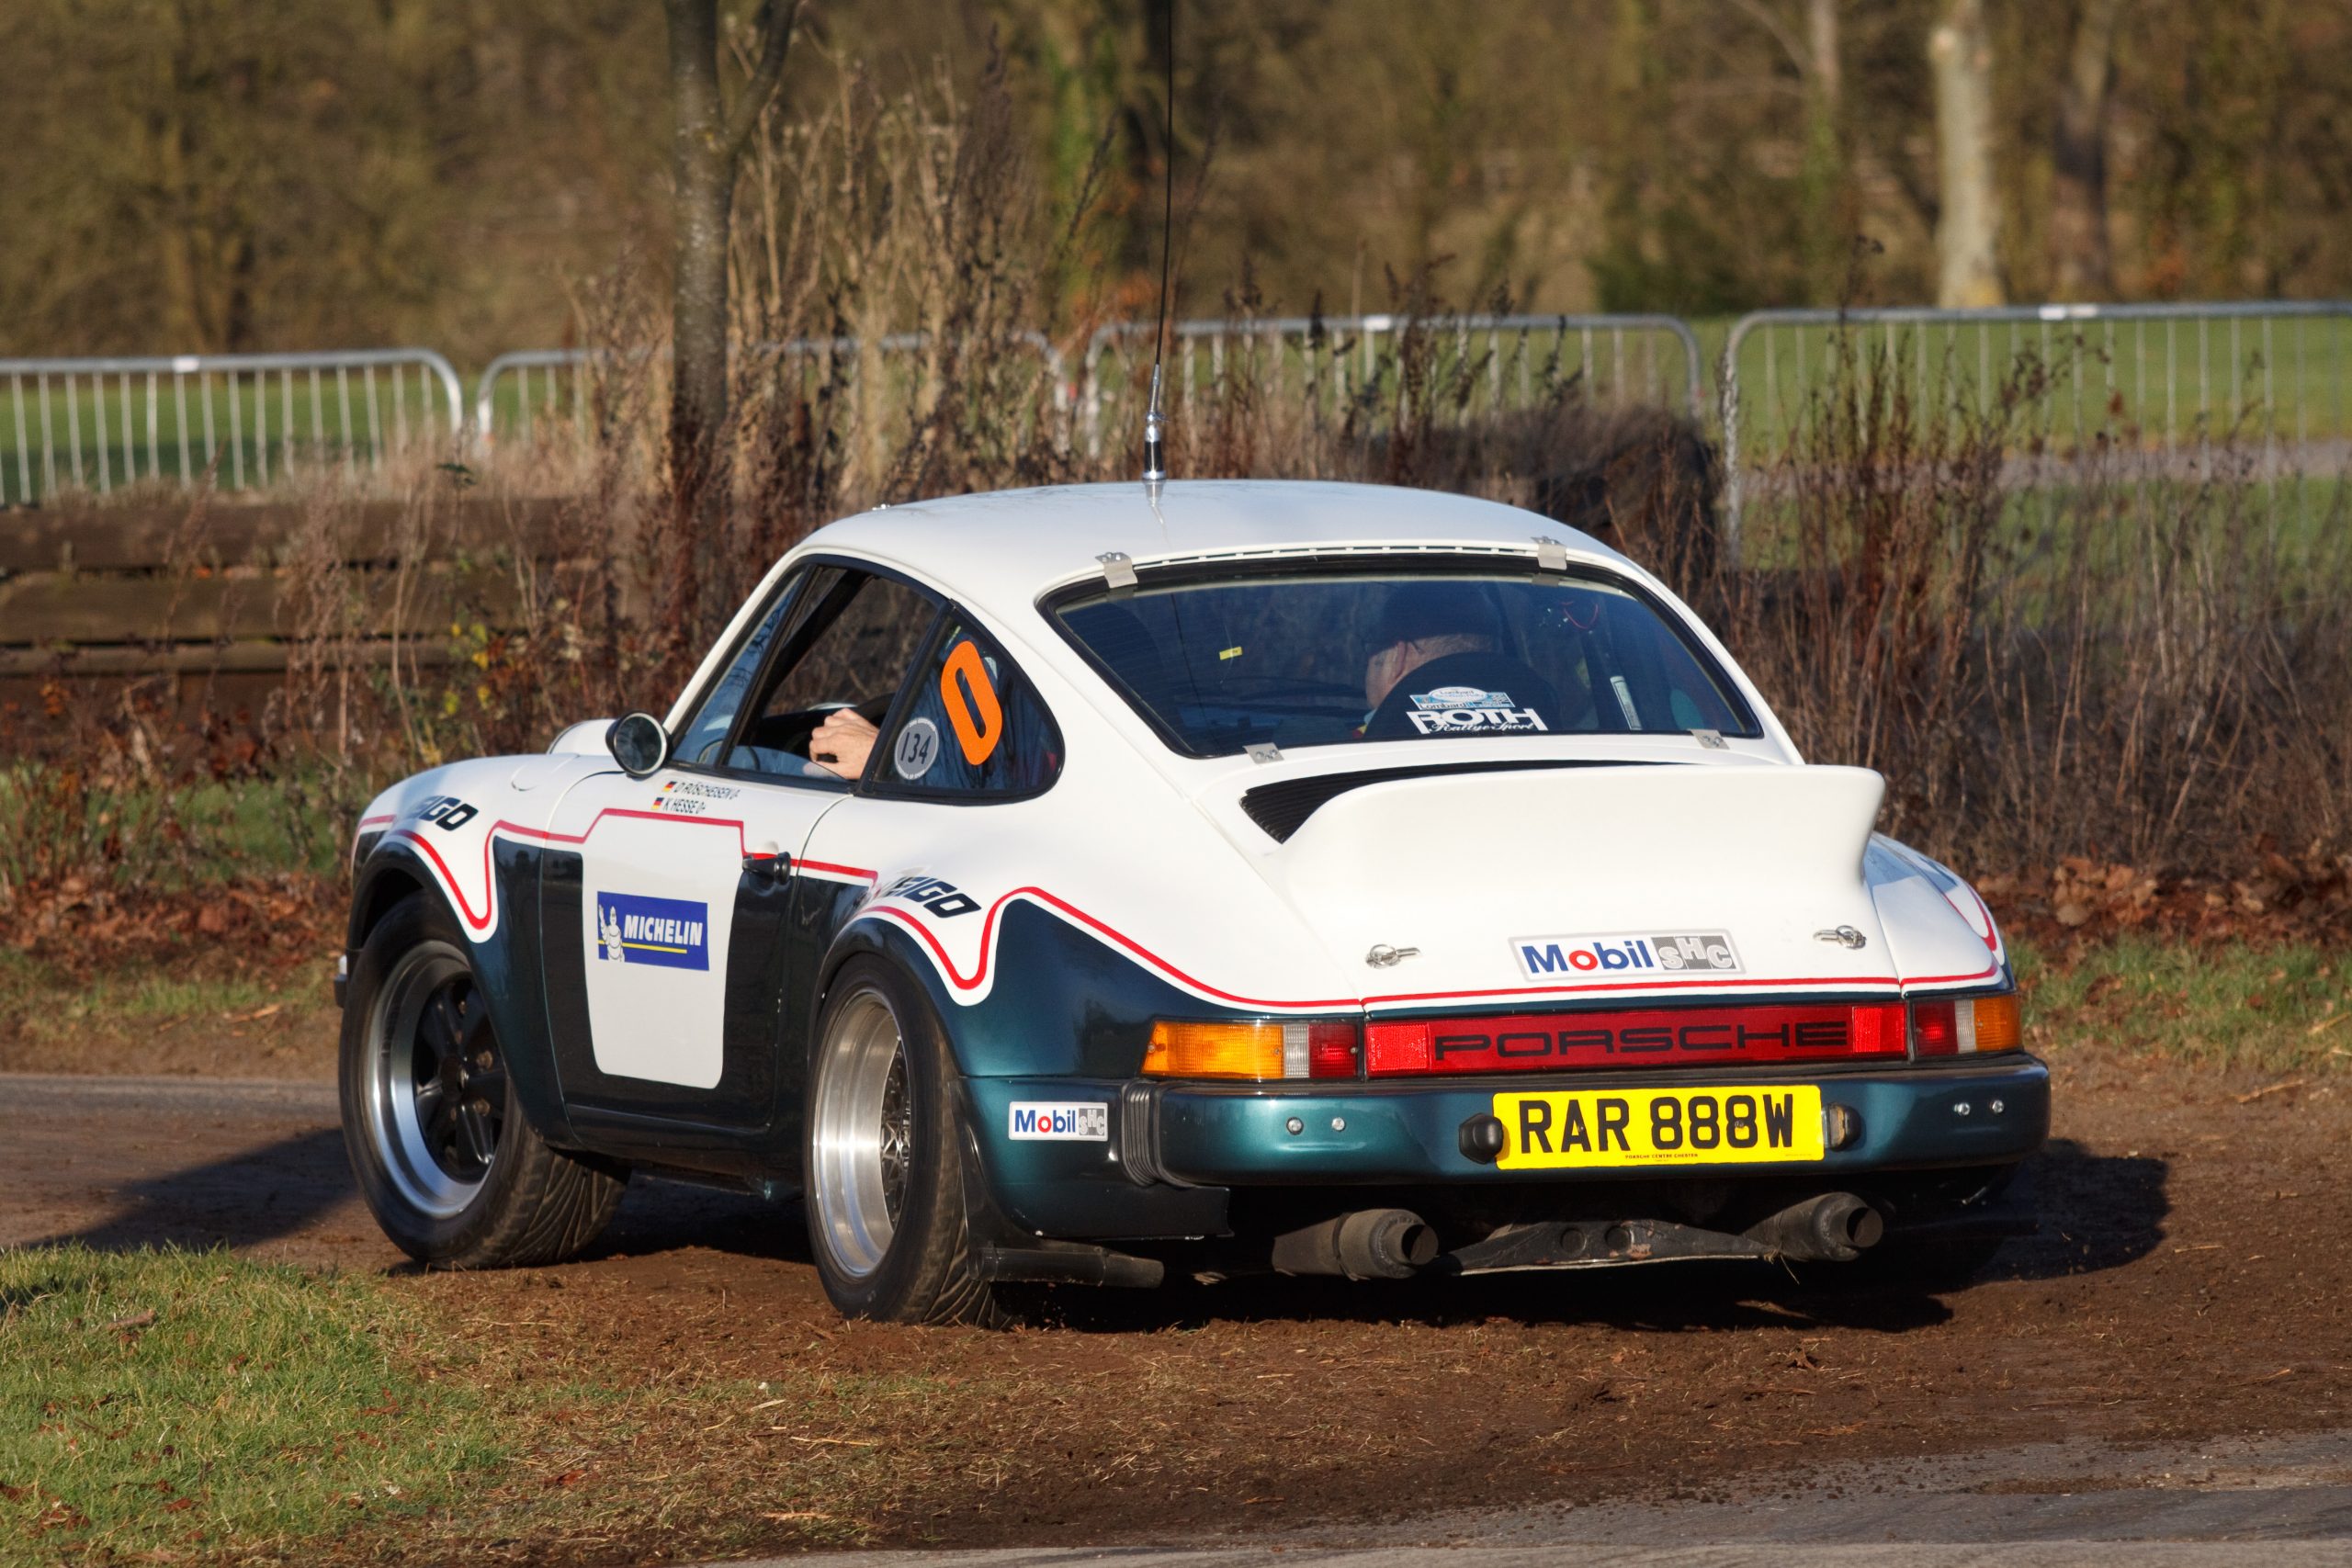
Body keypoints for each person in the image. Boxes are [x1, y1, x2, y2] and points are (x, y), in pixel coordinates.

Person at [1360, 581, 1564, 739]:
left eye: (1373, 648)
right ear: (1497, 650)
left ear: (1398, 656)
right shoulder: (1562, 729)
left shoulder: (1357, 749)